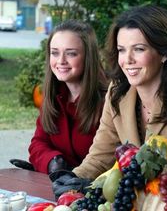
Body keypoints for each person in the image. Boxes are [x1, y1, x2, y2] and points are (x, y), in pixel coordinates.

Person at [51, 5, 167, 197]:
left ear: (164, 52)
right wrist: (74, 179)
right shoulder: (117, 92)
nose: (127, 59)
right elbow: (100, 156)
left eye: (139, 49)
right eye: (121, 50)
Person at [19, 20, 107, 174]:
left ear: (88, 57)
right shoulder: (52, 94)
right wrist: (53, 161)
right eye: (55, 53)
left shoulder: (108, 101)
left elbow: (109, 158)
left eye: (71, 53)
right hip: (57, 188)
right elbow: (38, 143)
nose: (61, 61)